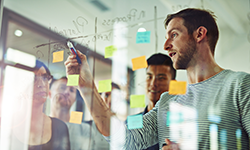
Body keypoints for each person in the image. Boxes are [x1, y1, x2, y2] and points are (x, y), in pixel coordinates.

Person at [64, 8, 250, 149]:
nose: (166, 45)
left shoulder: (240, 85)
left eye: (174, 35)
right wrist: (86, 86)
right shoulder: (168, 102)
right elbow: (124, 140)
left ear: (199, 34)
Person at [12, 60, 70, 150]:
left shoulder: (59, 127)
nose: (41, 84)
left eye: (45, 78)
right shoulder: (5, 124)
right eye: (34, 78)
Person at [49, 77, 109, 150]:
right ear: (49, 94)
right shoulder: (42, 126)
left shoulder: (84, 130)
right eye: (62, 88)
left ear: (75, 98)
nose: (67, 92)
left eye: (71, 90)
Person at [137, 53, 176, 150]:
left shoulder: (181, 123)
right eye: (149, 77)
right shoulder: (131, 123)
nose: (153, 84)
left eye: (161, 78)